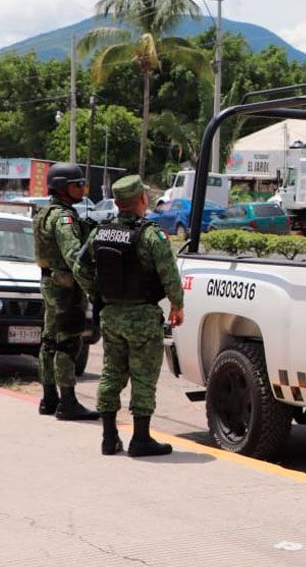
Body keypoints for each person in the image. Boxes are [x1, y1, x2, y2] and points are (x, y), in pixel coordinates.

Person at [74, 175, 185, 457]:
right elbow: (170, 275)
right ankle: (141, 439)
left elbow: (79, 268)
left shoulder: (100, 233)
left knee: (111, 374)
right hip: (143, 317)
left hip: (111, 316)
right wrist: (177, 305)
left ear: (116, 202)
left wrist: (97, 293)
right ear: (142, 200)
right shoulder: (151, 235)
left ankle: (109, 438)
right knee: (143, 377)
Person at [32, 163, 99, 421]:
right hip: (66, 288)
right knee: (67, 342)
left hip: (50, 283)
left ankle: (49, 399)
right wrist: (94, 289)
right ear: (62, 187)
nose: (83, 188)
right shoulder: (64, 219)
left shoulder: (45, 213)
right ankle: (68, 402)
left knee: (49, 340)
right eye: (77, 185)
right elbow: (75, 258)